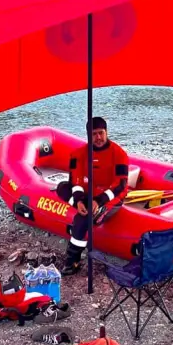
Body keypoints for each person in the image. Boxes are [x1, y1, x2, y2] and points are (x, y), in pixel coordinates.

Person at [59, 117, 129, 276]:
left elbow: (121, 185)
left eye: (101, 133)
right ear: (88, 135)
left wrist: (99, 201)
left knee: (82, 220)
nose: (98, 138)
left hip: (110, 197)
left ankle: (72, 260)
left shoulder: (119, 154)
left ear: (107, 132)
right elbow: (74, 180)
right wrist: (78, 201)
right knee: (62, 187)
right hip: (87, 194)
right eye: (94, 134)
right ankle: (81, 206)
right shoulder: (78, 154)